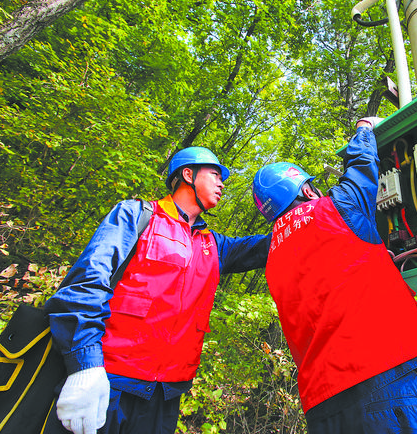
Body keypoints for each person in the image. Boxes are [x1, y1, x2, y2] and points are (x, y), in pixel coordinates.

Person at [44, 146, 271, 434]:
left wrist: (307, 212)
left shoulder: (213, 244)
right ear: (187, 174)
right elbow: (86, 284)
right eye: (214, 174)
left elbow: (267, 247)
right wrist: (84, 365)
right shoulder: (137, 216)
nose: (222, 182)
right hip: (107, 381)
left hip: (165, 394)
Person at [252, 117, 417, 433]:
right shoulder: (336, 208)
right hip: (382, 377)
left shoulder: (272, 254)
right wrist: (364, 128)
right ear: (306, 188)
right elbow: (361, 165)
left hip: (323, 405)